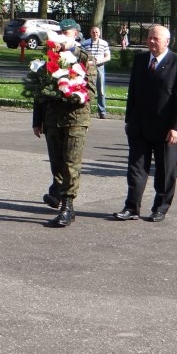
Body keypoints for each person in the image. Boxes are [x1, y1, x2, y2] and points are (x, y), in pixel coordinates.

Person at [113, 25, 177, 223]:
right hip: (139, 126)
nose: (151, 42)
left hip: (165, 128)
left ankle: (160, 208)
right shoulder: (140, 61)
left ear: (167, 41)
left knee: (165, 170)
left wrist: (176, 127)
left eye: (155, 38)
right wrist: (129, 120)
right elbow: (133, 93)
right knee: (136, 169)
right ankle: (131, 207)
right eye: (149, 38)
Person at [34, 18, 97, 225]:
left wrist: (71, 93)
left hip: (75, 118)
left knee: (71, 163)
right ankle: (58, 194)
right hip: (53, 118)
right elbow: (40, 90)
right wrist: (37, 120)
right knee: (56, 163)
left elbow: (92, 91)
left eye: (67, 33)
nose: (62, 36)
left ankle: (67, 207)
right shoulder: (49, 58)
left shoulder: (84, 57)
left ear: (77, 34)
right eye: (60, 32)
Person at [81, 26, 110, 119]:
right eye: (93, 32)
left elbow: (108, 57)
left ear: (99, 33)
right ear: (90, 33)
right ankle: (86, 110)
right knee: (87, 89)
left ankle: (102, 111)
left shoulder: (104, 43)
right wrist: (89, 61)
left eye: (97, 32)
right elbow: (82, 56)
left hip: (100, 67)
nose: (95, 34)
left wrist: (99, 61)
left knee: (101, 90)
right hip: (88, 68)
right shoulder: (84, 43)